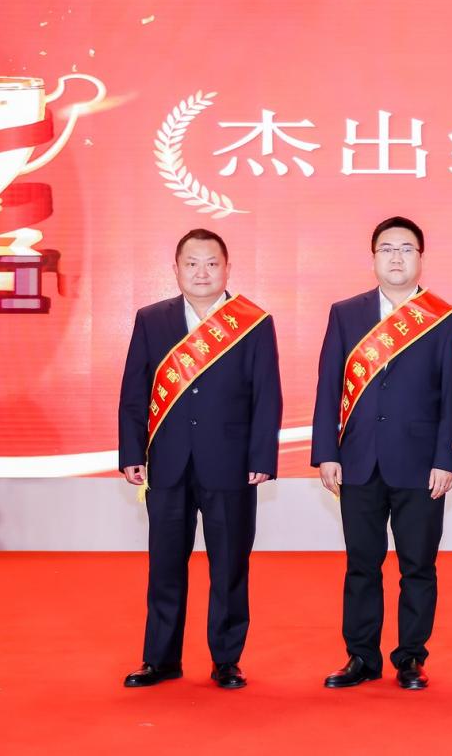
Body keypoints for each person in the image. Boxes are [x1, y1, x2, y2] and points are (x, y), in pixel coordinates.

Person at [118, 228, 283, 690]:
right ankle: (160, 659)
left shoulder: (252, 322)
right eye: (191, 263)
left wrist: (261, 456)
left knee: (229, 565)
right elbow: (134, 391)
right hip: (167, 461)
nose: (202, 272)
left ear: (227, 268)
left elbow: (267, 395)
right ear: (176, 269)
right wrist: (132, 451)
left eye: (211, 263)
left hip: (231, 463)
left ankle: (226, 659)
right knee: (165, 564)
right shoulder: (152, 319)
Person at [312, 216, 452, 691]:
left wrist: (447, 459)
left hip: (421, 464)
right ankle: (361, 656)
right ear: (373, 257)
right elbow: (329, 385)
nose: (396, 257)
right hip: (358, 459)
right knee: (362, 563)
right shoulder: (346, 313)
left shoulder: (446, 318)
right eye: (386, 248)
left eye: (406, 249)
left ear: (421, 257)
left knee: (418, 564)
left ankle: (411, 657)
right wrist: (326, 452)